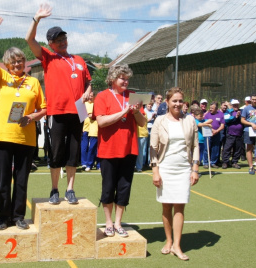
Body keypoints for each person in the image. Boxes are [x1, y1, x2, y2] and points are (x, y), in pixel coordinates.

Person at [0, 17, 47, 230]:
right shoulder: (0, 77)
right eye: (13, 62)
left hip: (26, 138)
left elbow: (45, 109)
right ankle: (4, 217)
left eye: (21, 61)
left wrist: (32, 117)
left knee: (21, 180)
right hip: (2, 137)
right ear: (7, 64)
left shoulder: (34, 82)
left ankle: (18, 216)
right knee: (2, 181)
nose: (18, 64)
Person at [26, 4, 92, 204]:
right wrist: (36, 18)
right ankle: (54, 189)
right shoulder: (48, 57)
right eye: (58, 40)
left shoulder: (79, 60)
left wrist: (88, 91)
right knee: (56, 151)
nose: (63, 42)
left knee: (74, 152)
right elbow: (29, 40)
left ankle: (70, 189)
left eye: (64, 38)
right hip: (57, 111)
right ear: (50, 44)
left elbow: (88, 81)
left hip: (78, 111)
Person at [94, 64, 146, 238]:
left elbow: (142, 123)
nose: (126, 81)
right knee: (108, 187)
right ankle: (108, 222)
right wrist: (124, 111)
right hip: (108, 150)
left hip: (129, 149)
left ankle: (118, 223)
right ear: (112, 79)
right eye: (122, 78)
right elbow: (101, 122)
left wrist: (137, 111)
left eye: (127, 78)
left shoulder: (133, 96)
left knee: (124, 188)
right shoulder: (102, 96)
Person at [150, 87, 199, 261]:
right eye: (174, 101)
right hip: (165, 168)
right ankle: (168, 241)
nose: (178, 104)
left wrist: (195, 169)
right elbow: (153, 149)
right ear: (167, 102)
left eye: (180, 101)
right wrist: (155, 172)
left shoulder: (190, 121)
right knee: (166, 206)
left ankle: (177, 245)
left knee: (180, 206)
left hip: (183, 169)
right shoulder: (160, 121)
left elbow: (195, 146)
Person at [221, 99, 243, 169]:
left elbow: (245, 119)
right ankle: (225, 162)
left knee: (237, 149)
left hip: (239, 134)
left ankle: (234, 162)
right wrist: (235, 117)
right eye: (234, 105)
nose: (236, 106)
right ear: (232, 105)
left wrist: (239, 116)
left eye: (237, 105)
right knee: (227, 148)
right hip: (230, 133)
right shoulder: (228, 111)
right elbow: (226, 119)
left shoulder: (242, 111)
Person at [203, 102, 225, 168]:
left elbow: (222, 125)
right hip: (208, 134)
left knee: (215, 149)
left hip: (217, 134)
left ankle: (213, 162)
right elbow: (204, 123)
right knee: (207, 148)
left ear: (216, 109)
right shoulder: (207, 115)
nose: (210, 109)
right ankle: (206, 162)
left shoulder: (220, 114)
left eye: (212, 108)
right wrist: (211, 130)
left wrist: (217, 131)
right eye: (210, 108)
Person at [81, 92, 97, 171]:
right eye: (89, 96)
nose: (90, 97)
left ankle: (91, 163)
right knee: (84, 146)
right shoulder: (84, 104)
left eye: (92, 96)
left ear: (94, 97)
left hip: (94, 128)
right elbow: (81, 116)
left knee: (92, 147)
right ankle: (84, 163)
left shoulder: (96, 104)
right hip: (85, 128)